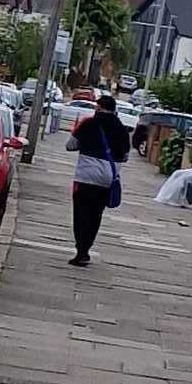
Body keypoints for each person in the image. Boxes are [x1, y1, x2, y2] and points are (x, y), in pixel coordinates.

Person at [68, 91, 130, 265]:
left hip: (85, 177)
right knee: (95, 216)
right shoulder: (122, 130)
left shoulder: (88, 123)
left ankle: (81, 250)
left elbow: (70, 145)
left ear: (98, 107)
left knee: (80, 214)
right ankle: (86, 248)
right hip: (107, 180)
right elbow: (125, 157)